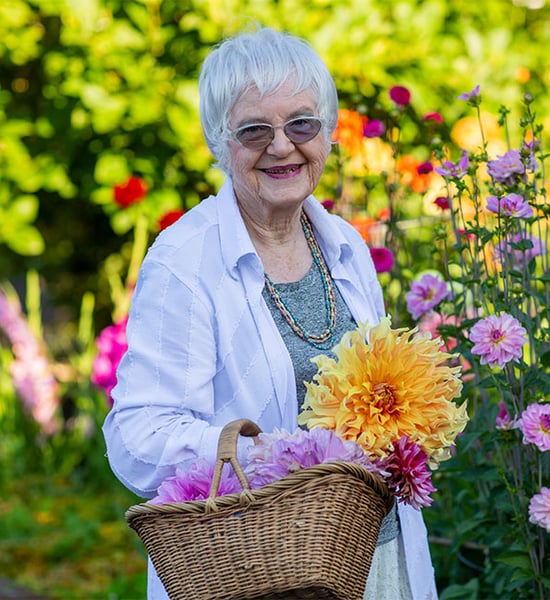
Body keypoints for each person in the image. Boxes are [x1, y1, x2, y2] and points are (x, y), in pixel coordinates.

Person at [102, 26, 438, 600]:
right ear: (219, 141)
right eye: (254, 130)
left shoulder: (346, 246)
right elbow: (137, 437)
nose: (282, 146)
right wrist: (269, 458)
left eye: (301, 124)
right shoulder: (186, 261)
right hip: (254, 572)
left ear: (327, 133)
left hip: (375, 562)